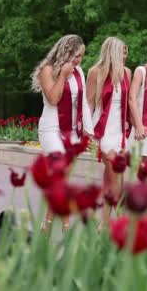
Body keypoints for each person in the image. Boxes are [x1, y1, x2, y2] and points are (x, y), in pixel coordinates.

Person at [30, 34, 93, 232]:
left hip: (71, 132)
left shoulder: (79, 72)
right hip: (51, 129)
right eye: (76, 55)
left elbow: (82, 103)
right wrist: (64, 75)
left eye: (81, 56)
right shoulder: (47, 70)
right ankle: (66, 226)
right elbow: (53, 99)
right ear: (66, 51)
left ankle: (46, 226)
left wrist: (88, 132)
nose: (78, 60)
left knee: (61, 180)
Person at [86, 37, 132, 227]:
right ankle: (123, 220)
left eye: (126, 52)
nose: (125, 55)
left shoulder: (127, 72)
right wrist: (87, 131)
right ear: (112, 52)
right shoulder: (95, 72)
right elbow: (88, 102)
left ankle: (103, 225)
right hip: (102, 129)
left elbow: (129, 101)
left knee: (113, 178)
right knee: (114, 176)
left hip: (120, 131)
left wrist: (130, 121)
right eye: (122, 51)